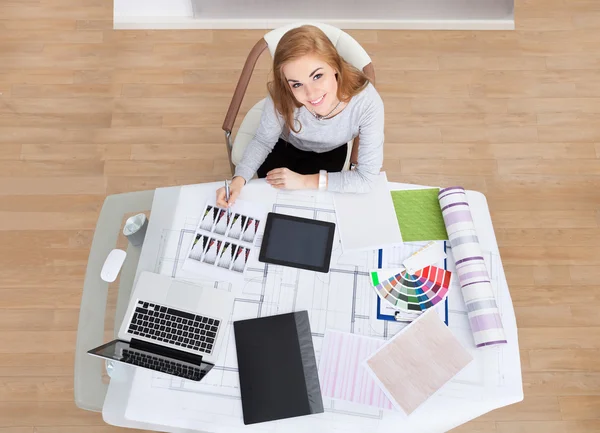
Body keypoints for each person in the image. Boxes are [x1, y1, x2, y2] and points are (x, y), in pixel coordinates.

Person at [216, 24, 384, 208]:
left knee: (312, 210)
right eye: (296, 84)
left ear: (335, 67)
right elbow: (264, 141)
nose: (311, 94)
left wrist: (303, 181)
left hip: (331, 152)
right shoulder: (282, 93)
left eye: (317, 76)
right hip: (284, 146)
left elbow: (366, 178)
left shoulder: (367, 102)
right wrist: (238, 180)